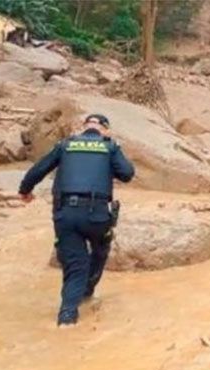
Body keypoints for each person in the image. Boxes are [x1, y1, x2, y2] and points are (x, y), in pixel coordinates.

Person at [18, 114, 135, 327]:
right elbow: (127, 173)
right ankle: (88, 291)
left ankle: (67, 316)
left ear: (84, 128)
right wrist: (114, 151)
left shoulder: (65, 145)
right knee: (101, 247)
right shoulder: (109, 146)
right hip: (96, 215)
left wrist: (25, 191)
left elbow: (38, 169)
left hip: (65, 214)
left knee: (75, 264)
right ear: (105, 130)